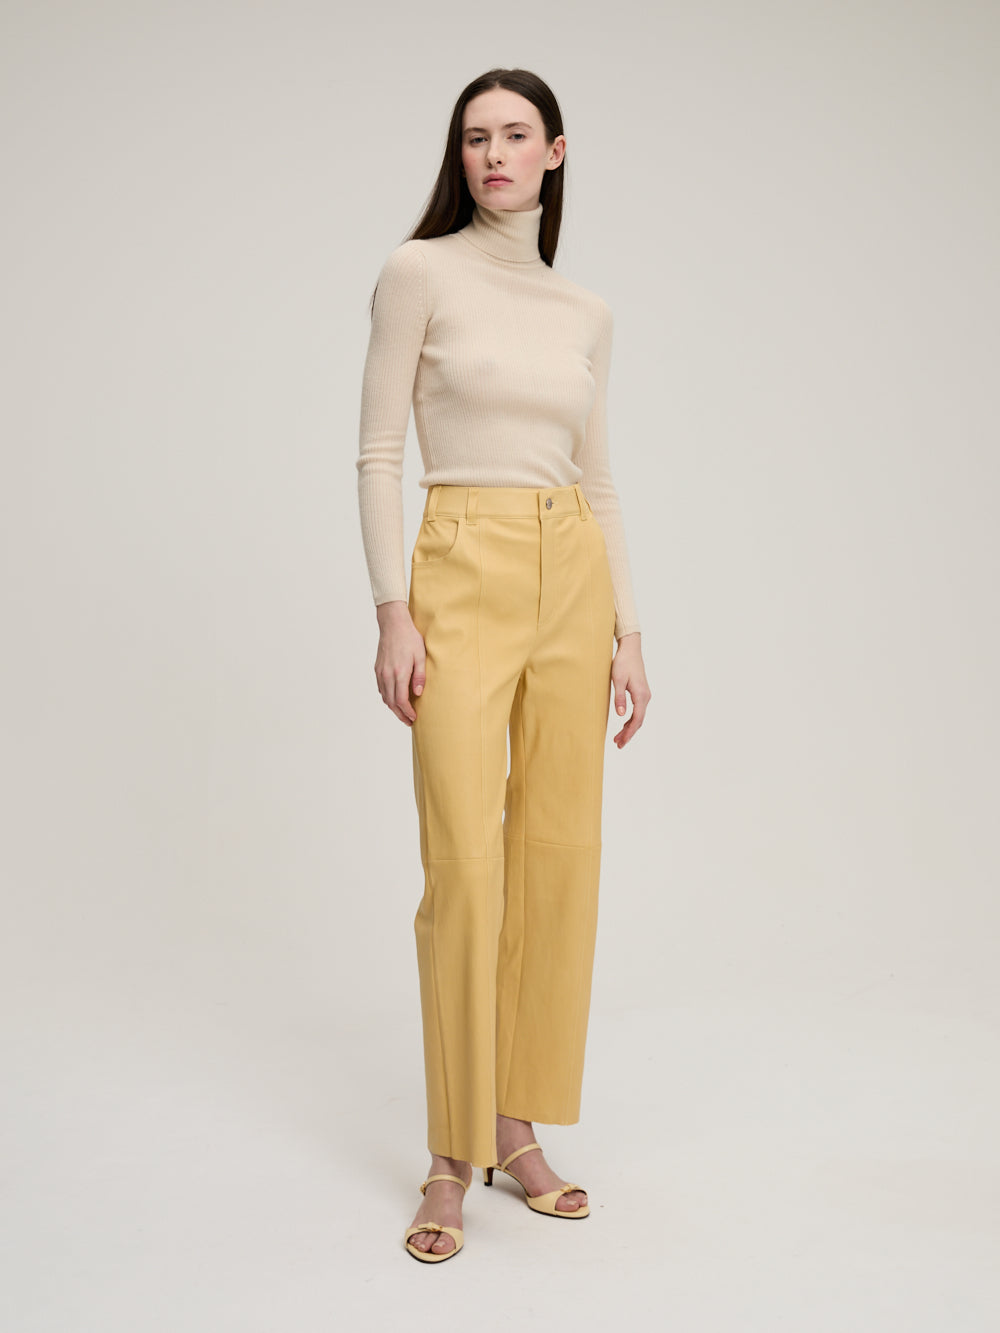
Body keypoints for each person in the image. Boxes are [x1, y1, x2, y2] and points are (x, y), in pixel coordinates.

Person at [356, 67, 652, 1263]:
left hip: (571, 570)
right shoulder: (417, 271)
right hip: (461, 562)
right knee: (465, 867)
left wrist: (629, 627)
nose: (493, 154)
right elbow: (378, 451)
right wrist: (393, 611)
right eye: (475, 136)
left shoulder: (586, 310)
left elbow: (598, 478)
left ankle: (515, 1125)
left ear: (554, 153)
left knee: (558, 856)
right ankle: (448, 1154)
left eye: (515, 135)